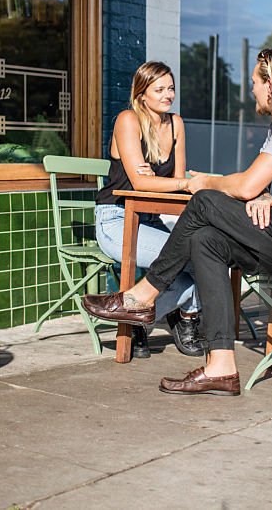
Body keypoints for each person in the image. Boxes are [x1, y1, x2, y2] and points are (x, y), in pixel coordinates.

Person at [83, 47, 272, 395]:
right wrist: (259, 193)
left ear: (271, 85)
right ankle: (222, 367)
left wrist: (208, 183)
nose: (251, 90)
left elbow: (244, 184)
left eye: (255, 83)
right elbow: (259, 187)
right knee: (205, 242)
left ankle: (141, 296)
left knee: (203, 200)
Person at [94, 61, 204, 358]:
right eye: (159, 89)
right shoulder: (127, 120)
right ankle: (184, 317)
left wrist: (159, 181)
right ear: (142, 94)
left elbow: (174, 181)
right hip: (116, 220)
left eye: (171, 88)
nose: (168, 94)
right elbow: (146, 183)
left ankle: (140, 319)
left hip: (152, 221)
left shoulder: (175, 123)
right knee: (198, 259)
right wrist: (159, 182)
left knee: (208, 257)